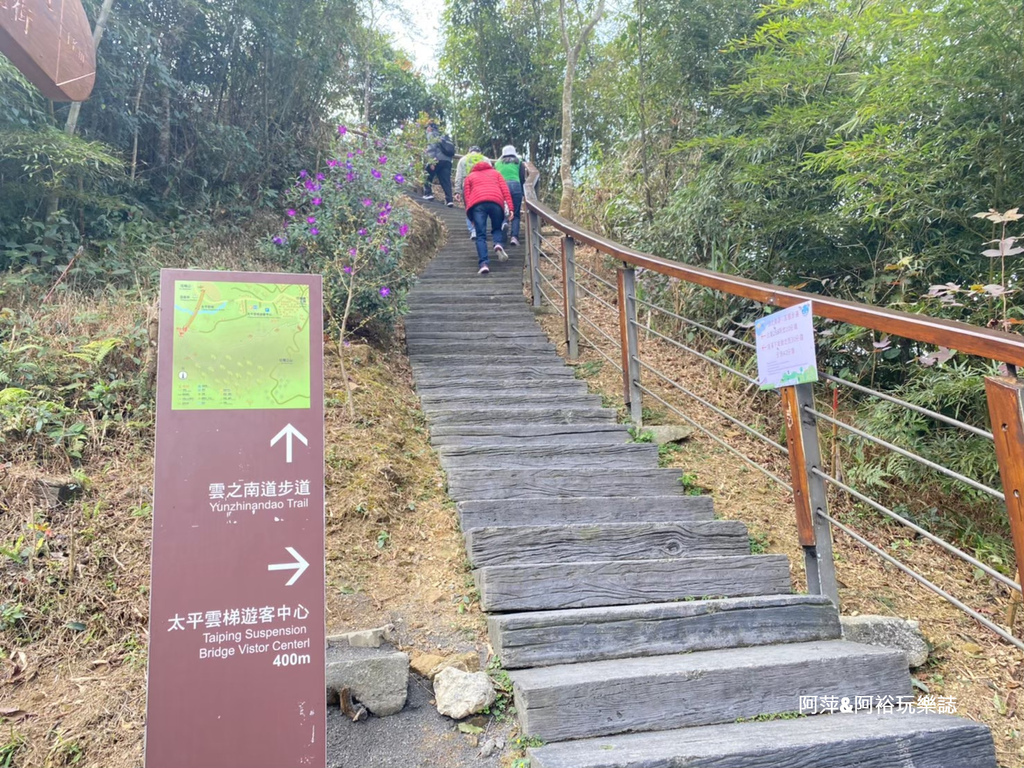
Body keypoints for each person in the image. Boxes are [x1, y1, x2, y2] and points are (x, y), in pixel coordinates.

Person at [463, 159, 514, 275]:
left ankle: (484, 264)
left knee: (480, 235)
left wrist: (470, 217)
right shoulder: (496, 173)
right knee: (497, 228)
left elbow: (467, 197)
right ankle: (497, 244)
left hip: (477, 205)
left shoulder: (470, 176)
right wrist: (511, 208)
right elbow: (505, 191)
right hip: (496, 202)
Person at [493, 145, 527, 246]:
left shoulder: (497, 163)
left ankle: (504, 224)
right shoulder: (518, 162)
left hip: (502, 186)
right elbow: (522, 177)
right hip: (516, 186)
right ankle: (514, 237)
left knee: (504, 211)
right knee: (516, 214)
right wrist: (523, 192)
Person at [454, 146, 490, 240]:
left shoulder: (463, 160)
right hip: (482, 185)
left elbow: (459, 176)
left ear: (469, 152)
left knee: (469, 208)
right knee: (482, 208)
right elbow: (491, 173)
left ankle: (473, 230)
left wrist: (457, 191)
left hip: (467, 185)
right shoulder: (485, 159)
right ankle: (481, 229)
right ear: (480, 152)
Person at [422, 122, 455, 206]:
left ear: (430, 128)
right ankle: (449, 200)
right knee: (446, 181)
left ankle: (428, 194)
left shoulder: (432, 134)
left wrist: (431, 162)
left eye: (427, 128)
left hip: (437, 159)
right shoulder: (445, 137)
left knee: (427, 175)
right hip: (447, 161)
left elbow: (432, 148)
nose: (426, 130)